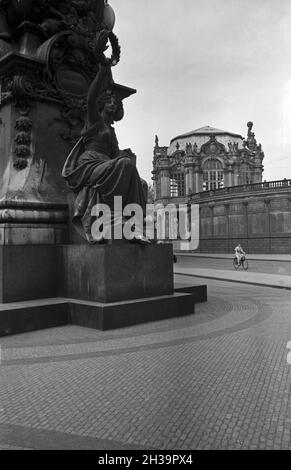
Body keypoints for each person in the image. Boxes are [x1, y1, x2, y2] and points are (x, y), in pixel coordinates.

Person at [62, 29, 150, 245]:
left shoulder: (111, 131)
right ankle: (121, 224)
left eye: (116, 102)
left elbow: (115, 155)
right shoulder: (94, 120)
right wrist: (104, 68)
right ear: (103, 104)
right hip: (90, 167)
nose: (114, 103)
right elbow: (91, 97)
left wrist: (125, 154)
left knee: (142, 182)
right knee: (125, 166)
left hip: (107, 166)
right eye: (110, 100)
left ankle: (135, 228)